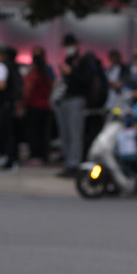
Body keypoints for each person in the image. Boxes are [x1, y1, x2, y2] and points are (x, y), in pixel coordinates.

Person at [54, 34, 95, 177]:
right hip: (65, 99)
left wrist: (72, 73)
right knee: (66, 134)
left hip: (77, 99)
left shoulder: (83, 61)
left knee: (75, 133)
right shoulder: (69, 60)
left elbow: (86, 80)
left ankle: (74, 164)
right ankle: (68, 162)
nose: (68, 49)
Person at [21, 45, 53, 165]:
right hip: (45, 106)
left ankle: (35, 155)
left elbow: (28, 91)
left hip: (34, 106)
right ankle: (43, 155)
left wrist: (22, 104)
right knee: (43, 133)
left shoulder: (33, 75)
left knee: (33, 132)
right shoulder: (46, 73)